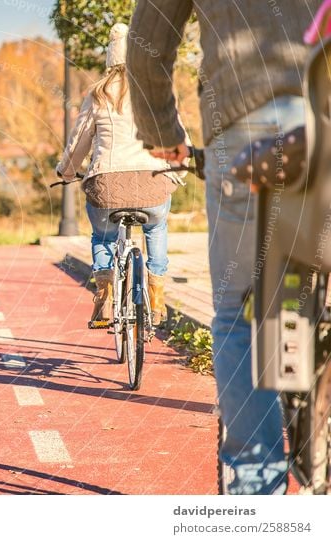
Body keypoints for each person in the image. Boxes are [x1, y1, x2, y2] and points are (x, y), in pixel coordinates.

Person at [126, 0, 321, 494]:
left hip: (250, 125)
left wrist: (162, 134)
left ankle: (256, 491)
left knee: (238, 311)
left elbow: (148, 48)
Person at [56, 22, 186, 328]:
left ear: (109, 58)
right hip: (153, 184)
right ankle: (156, 297)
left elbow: (78, 143)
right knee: (156, 227)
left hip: (107, 187)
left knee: (103, 236)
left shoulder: (98, 94)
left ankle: (104, 297)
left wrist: (66, 171)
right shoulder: (156, 91)